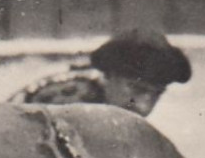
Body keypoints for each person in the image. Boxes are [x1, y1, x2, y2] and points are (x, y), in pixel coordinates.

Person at [14, 29, 192, 117]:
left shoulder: (100, 101)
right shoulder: (70, 101)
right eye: (136, 89)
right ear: (109, 76)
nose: (145, 106)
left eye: (156, 94)